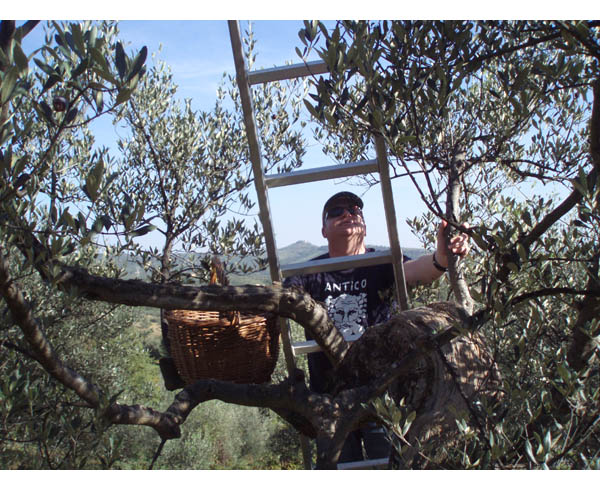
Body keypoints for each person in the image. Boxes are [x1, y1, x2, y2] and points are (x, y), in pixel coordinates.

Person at [283, 191, 471, 465]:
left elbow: (418, 271)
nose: (347, 214)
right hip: (331, 400)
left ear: (364, 225)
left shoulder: (382, 263)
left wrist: (441, 258)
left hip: (382, 396)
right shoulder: (309, 272)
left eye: (355, 210)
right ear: (323, 230)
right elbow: (282, 298)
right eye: (336, 211)